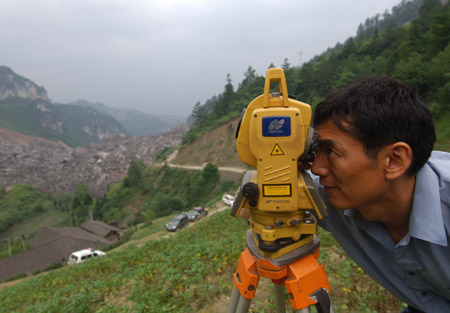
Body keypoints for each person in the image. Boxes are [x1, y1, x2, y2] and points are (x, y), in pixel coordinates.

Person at [310, 76, 450, 313]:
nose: (317, 168)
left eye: (331, 151)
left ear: (394, 160)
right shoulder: (330, 194)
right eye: (316, 150)